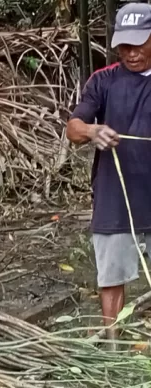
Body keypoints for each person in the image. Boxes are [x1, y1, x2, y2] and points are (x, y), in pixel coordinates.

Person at [66, 2, 151, 339]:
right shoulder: (103, 81)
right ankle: (112, 348)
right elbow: (73, 128)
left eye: (139, 43)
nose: (131, 53)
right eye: (124, 45)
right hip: (115, 195)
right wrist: (92, 131)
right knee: (111, 276)